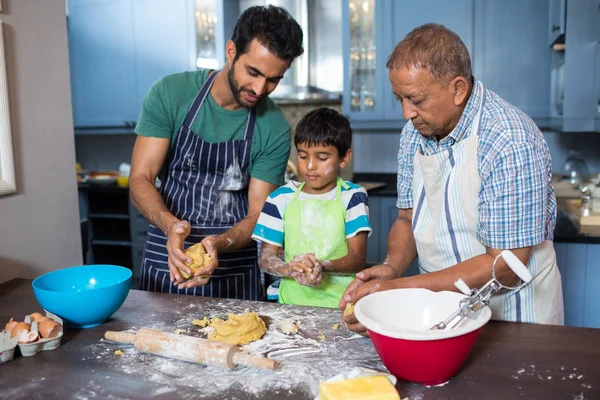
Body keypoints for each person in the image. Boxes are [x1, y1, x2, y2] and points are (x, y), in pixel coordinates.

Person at [340, 23, 564, 333]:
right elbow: (407, 219)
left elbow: (507, 267)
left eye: (416, 100)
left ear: (458, 89)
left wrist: (400, 291)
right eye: (399, 99)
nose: (406, 113)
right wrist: (391, 269)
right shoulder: (413, 134)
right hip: (439, 310)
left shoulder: (508, 139)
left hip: (515, 316)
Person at [129, 5, 303, 300]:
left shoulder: (273, 126)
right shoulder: (171, 94)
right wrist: (170, 225)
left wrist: (218, 244)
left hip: (233, 270)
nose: (260, 88)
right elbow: (140, 178)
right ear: (231, 51)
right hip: (166, 260)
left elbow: (259, 213)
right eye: (254, 72)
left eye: (273, 79)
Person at [251, 107, 372, 308]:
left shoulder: (352, 197)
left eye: (322, 158)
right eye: (303, 156)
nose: (310, 166)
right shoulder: (280, 198)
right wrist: (290, 269)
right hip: (290, 304)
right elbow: (266, 258)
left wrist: (321, 266)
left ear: (344, 158)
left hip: (341, 304)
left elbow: (357, 259)